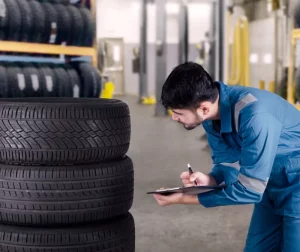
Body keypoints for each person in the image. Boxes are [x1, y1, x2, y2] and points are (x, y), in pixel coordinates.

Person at [153, 62, 300, 252]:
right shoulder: (211, 118)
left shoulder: (255, 115)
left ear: (204, 108)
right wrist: (211, 179)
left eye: (178, 112)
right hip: (270, 187)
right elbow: (229, 165)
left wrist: (183, 199)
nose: (174, 118)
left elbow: (250, 190)